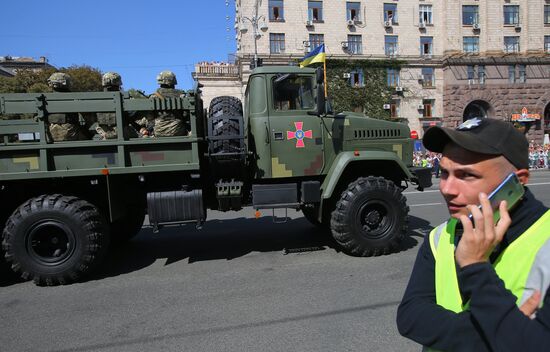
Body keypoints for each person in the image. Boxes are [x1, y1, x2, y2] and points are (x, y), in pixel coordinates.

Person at [397, 117, 550, 351]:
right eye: (445, 173)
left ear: (518, 181)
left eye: (466, 175)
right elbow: (410, 316)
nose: (446, 189)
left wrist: (475, 266)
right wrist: (503, 332)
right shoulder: (440, 237)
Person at [92, 72, 139, 140]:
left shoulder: (96, 100)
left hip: (104, 136)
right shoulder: (123, 98)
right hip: (122, 135)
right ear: (117, 84)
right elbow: (132, 115)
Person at [46, 72, 89, 142]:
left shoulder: (45, 99)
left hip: (50, 137)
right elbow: (87, 115)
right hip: (71, 136)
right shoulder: (74, 98)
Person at [151, 71, 188, 137]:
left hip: (159, 131)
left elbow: (150, 116)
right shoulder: (181, 95)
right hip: (178, 130)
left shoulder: (154, 96)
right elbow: (186, 114)